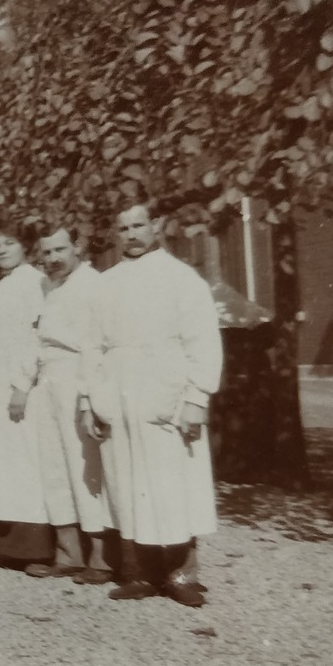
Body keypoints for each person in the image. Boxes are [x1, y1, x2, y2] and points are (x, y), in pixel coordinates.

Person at [80, 193, 223, 607]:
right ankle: (141, 573)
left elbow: (203, 343)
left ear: (156, 226)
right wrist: (90, 400)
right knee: (127, 484)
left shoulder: (182, 279)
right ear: (115, 234)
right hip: (119, 396)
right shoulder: (105, 284)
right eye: (123, 228)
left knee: (171, 483)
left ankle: (182, 574)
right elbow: (91, 347)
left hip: (166, 392)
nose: (131, 234)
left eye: (139, 225)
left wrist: (197, 398)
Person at [29, 224, 115, 585]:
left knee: (86, 466)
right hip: (46, 376)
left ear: (77, 247)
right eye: (46, 253)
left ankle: (101, 556)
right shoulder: (47, 286)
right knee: (52, 464)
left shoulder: (92, 284)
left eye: (59, 250)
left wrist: (87, 396)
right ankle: (68, 552)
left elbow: (95, 345)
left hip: (77, 375)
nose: (52, 259)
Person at [0, 222, 55, 569]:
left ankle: (36, 549)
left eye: (10, 243)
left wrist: (22, 385)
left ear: (25, 247)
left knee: (24, 463)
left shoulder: (34, 282)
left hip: (21, 387)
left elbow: (37, 337)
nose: (2, 250)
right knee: (1, 463)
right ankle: (6, 546)